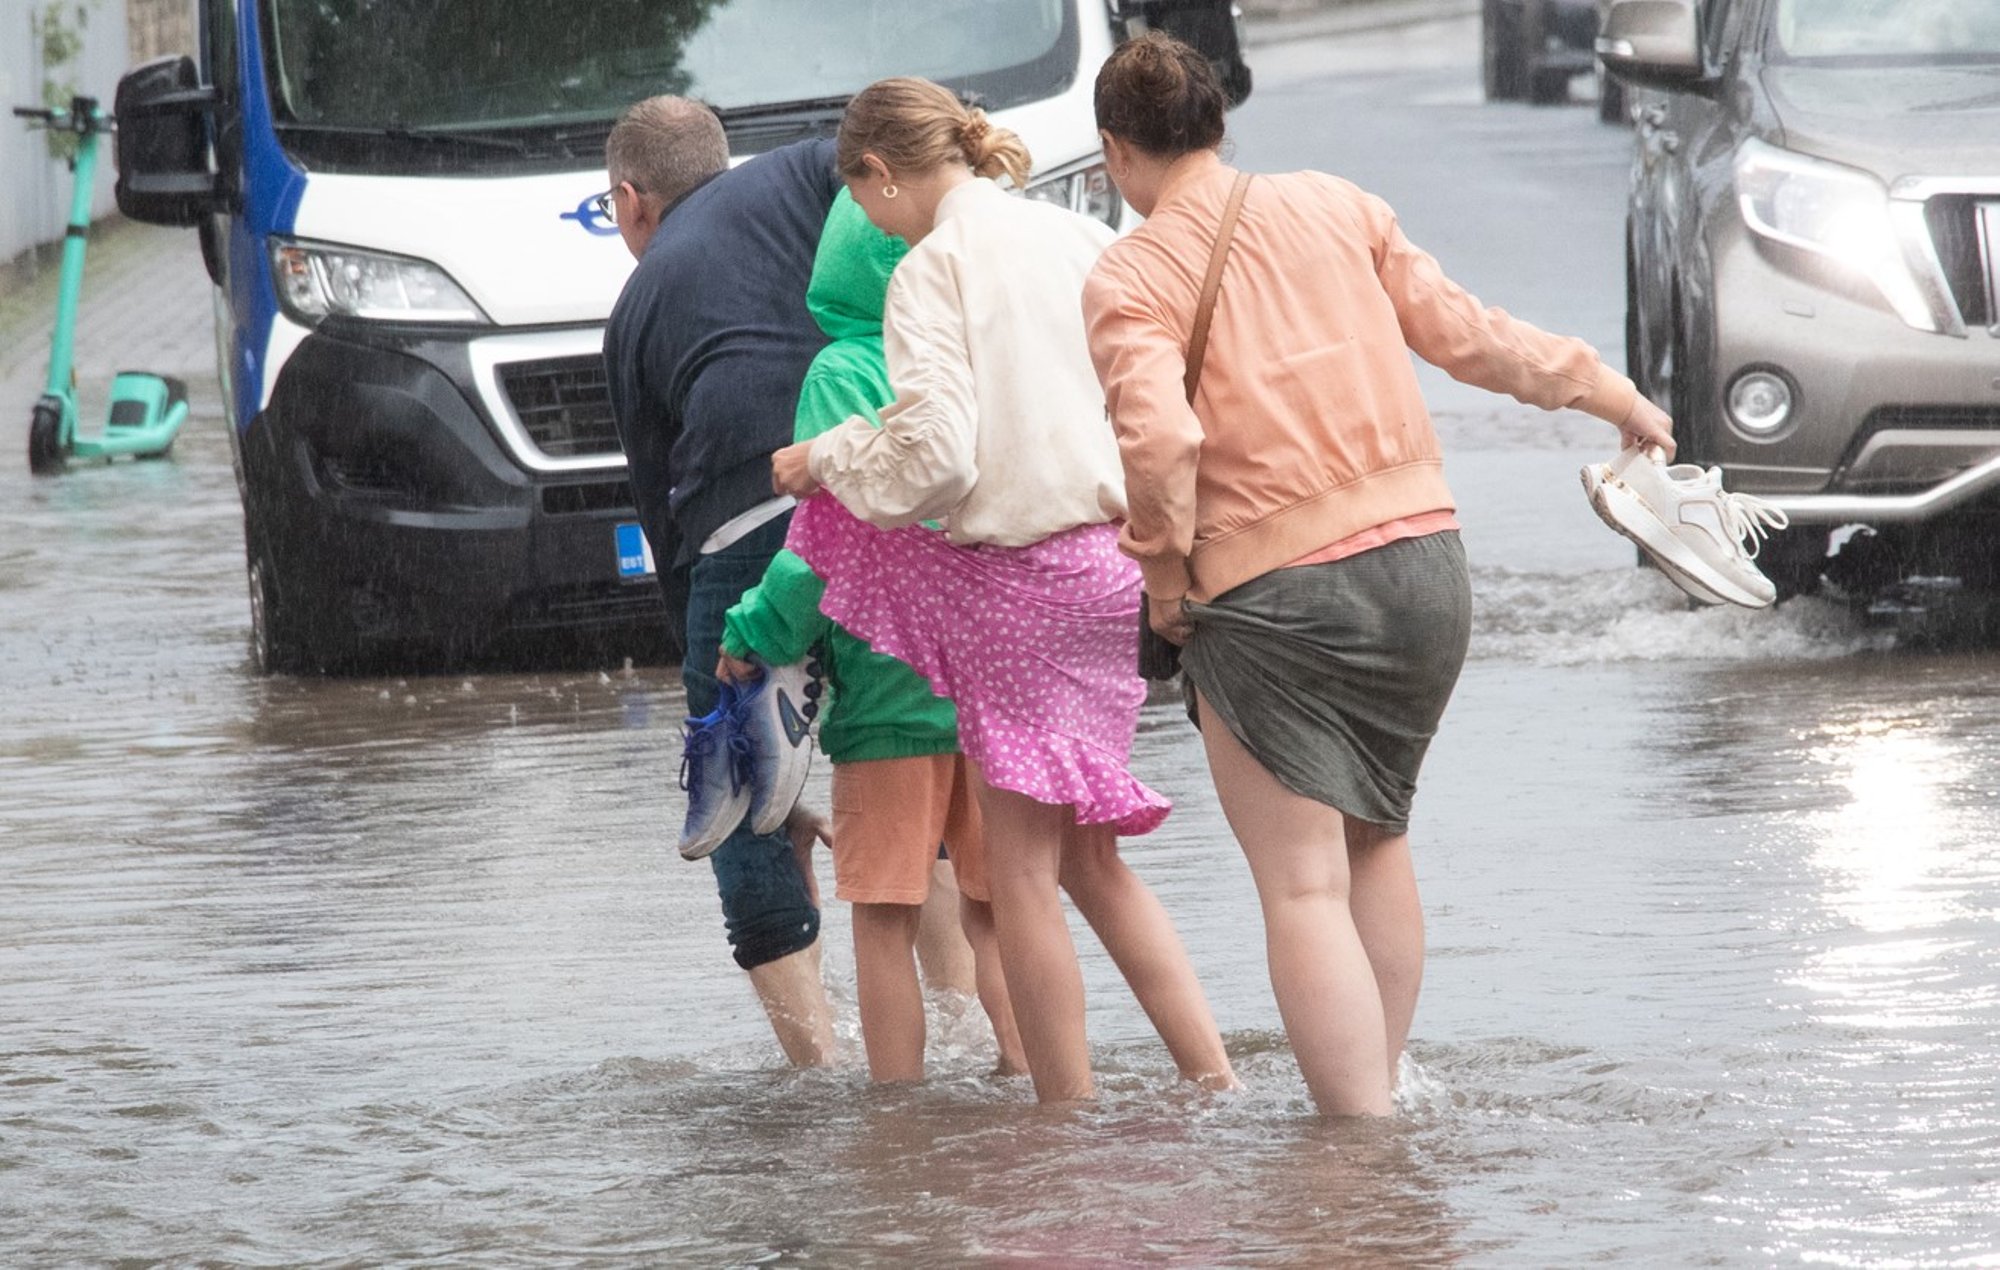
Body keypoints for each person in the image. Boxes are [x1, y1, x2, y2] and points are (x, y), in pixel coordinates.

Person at [1081, 35, 1677, 1117]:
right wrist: (1611, 395)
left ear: (1117, 153)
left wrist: (1164, 584)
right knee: (1377, 834)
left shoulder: (1130, 269)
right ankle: (1386, 1093)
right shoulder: (1336, 204)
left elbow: (1160, 445)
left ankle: (1354, 1150)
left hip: (1275, 599)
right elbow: (1470, 338)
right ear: (1215, 124)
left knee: (1300, 880)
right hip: (1422, 566)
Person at [769, 76, 1236, 1103]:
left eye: (863, 201)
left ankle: (1063, 1118)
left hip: (1020, 585)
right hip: (1111, 571)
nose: (871, 225)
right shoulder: (1076, 238)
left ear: (879, 176)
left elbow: (933, 458)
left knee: (1023, 877)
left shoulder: (930, 269)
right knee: (1092, 867)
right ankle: (1213, 1082)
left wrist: (831, 456)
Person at [718, 190, 1028, 1081]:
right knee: (997, 909)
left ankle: (898, 1114)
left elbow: (822, 544)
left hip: (888, 696)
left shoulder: (842, 371)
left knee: (883, 919)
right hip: (994, 685)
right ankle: (1039, 1091)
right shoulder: (982, 355)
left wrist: (755, 629)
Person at [601, 96, 841, 1067]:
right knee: (917, 767)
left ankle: (820, 1072)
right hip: (874, 499)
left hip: (740, 535)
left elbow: (668, 527)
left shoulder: (635, 307)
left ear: (629, 200)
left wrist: (704, 685)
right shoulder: (804, 177)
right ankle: (965, 1042)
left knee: (736, 811)